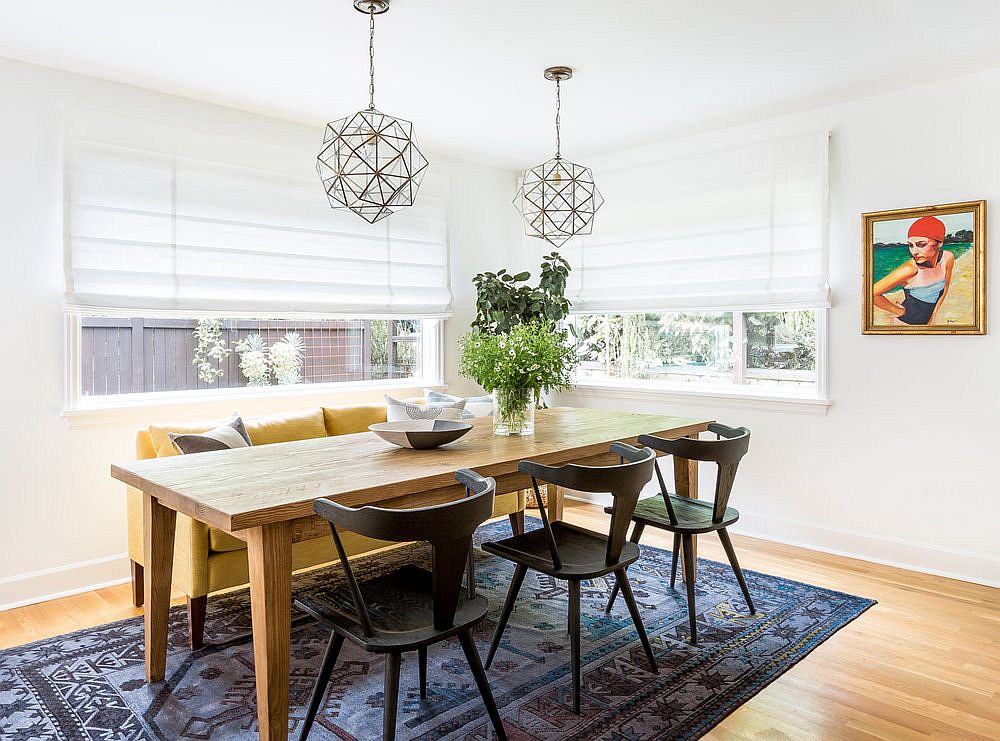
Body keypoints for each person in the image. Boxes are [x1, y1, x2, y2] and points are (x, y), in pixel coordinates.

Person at [872, 215, 955, 325]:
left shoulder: (947, 258)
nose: (914, 251)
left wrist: (934, 314)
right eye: (911, 245)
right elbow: (871, 293)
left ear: (939, 243)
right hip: (905, 324)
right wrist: (899, 311)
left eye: (921, 244)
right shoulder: (910, 270)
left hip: (927, 323)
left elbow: (945, 287)